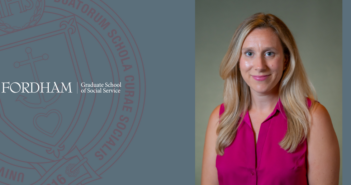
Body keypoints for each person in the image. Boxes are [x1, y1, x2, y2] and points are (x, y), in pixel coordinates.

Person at [201, 13, 340, 185]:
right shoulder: (220, 118)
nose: (259, 66)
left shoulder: (313, 117)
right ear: (238, 60)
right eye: (249, 53)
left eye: (269, 53)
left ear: (286, 60)